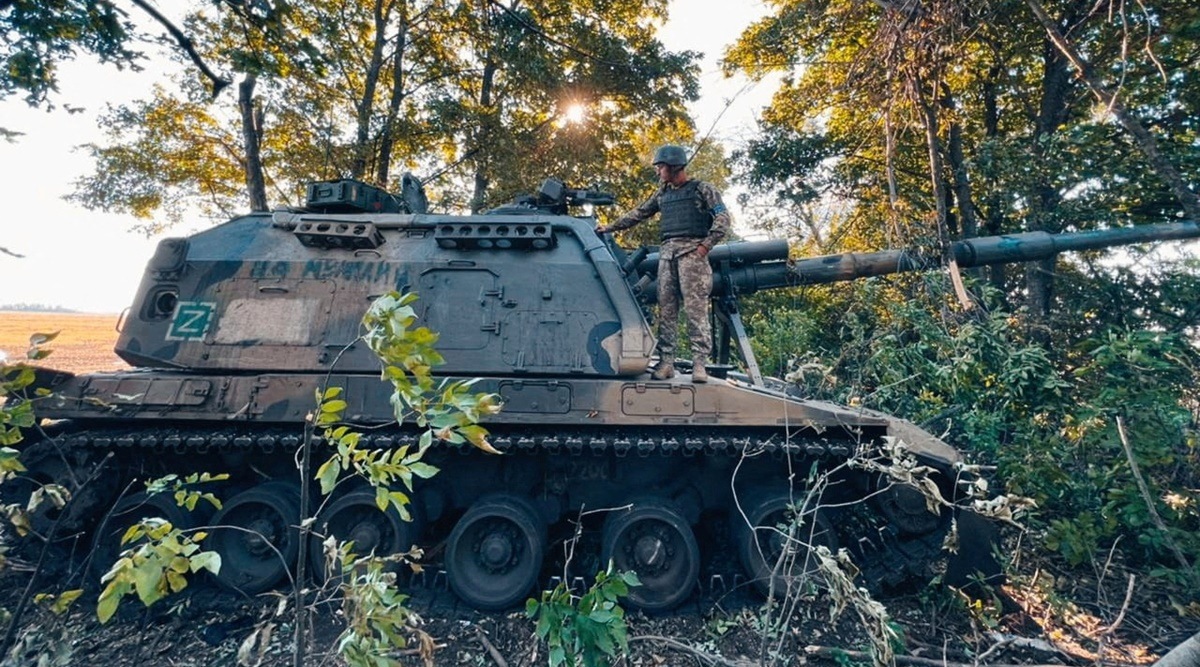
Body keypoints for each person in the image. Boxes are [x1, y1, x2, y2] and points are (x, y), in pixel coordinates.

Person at [595, 145, 731, 382]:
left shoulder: (703, 189)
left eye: (660, 166)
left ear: (674, 166)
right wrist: (609, 227)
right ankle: (666, 362)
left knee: (695, 311)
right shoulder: (663, 194)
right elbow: (639, 213)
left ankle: (700, 365)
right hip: (667, 256)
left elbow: (723, 217)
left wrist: (705, 246)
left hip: (692, 255)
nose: (658, 171)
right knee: (666, 311)